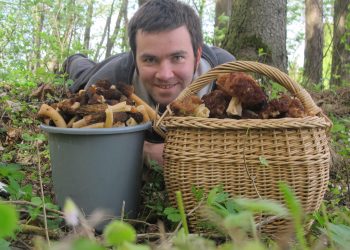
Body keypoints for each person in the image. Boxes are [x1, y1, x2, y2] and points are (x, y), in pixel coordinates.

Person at [63, 0, 235, 167]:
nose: (165, 75)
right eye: (150, 59)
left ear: (197, 56)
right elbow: (84, 140)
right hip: (105, 68)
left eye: (177, 58)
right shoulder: (111, 78)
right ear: (136, 59)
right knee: (81, 69)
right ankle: (73, 59)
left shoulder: (226, 74)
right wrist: (144, 150)